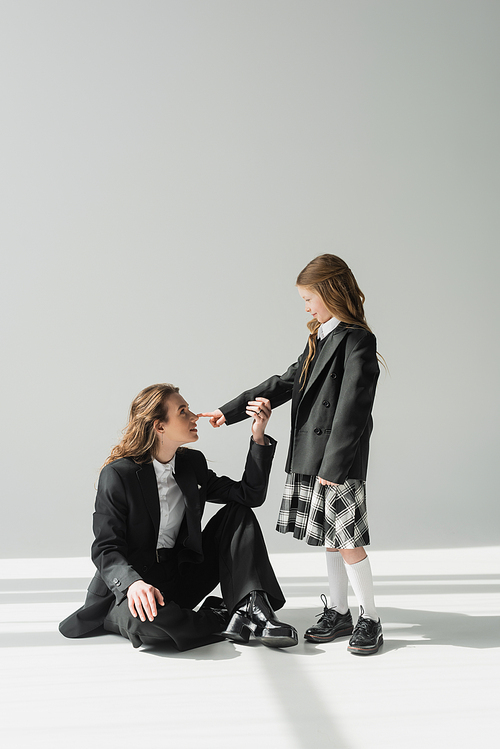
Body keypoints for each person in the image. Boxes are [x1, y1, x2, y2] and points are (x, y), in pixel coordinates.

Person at [200, 254, 383, 655]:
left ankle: (370, 617)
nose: (306, 307)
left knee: (348, 539)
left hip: (338, 461)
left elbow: (353, 410)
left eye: (308, 298)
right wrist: (228, 412)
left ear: (331, 291)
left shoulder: (358, 340)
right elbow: (284, 383)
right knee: (332, 541)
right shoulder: (320, 337)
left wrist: (333, 466)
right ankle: (339, 611)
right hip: (312, 456)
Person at [59, 383, 298, 651]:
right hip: (131, 589)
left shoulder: (192, 465)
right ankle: (226, 617)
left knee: (238, 513)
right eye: (183, 411)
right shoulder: (118, 475)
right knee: (147, 626)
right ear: (159, 426)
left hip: (180, 577)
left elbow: (249, 496)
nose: (194, 416)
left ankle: (253, 605)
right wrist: (133, 584)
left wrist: (258, 436)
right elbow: (106, 547)